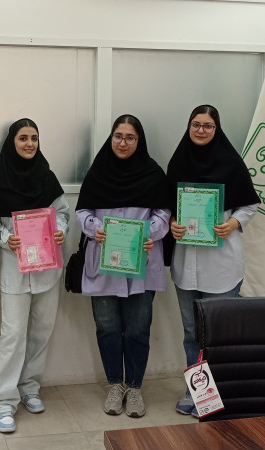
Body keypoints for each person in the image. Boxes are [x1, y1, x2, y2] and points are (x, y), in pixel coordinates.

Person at [166, 104, 260, 417]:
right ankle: (197, 394)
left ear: (216, 129)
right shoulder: (178, 162)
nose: (201, 130)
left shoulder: (232, 163)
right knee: (192, 333)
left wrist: (232, 224)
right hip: (186, 265)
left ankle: (216, 395)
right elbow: (168, 207)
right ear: (189, 127)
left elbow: (250, 205)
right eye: (196, 124)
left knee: (218, 335)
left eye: (208, 125)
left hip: (222, 265)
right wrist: (172, 224)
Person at [76, 114, 171, 418]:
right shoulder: (98, 172)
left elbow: (164, 213)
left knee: (138, 329)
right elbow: (83, 211)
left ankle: (135, 387)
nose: (123, 142)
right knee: (107, 328)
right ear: (111, 138)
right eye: (118, 136)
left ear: (139, 141)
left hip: (141, 262)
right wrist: (95, 228)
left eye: (130, 137)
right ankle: (115, 385)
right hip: (104, 264)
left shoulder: (153, 174)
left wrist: (150, 232)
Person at [0, 118, 69, 433]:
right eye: (23, 138)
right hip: (15, 271)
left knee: (41, 333)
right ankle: (3, 403)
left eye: (34, 138)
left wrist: (60, 231)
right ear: (13, 142)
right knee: (12, 335)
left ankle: (29, 388)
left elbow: (62, 213)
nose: (30, 143)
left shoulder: (47, 177)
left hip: (48, 269)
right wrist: (7, 239)